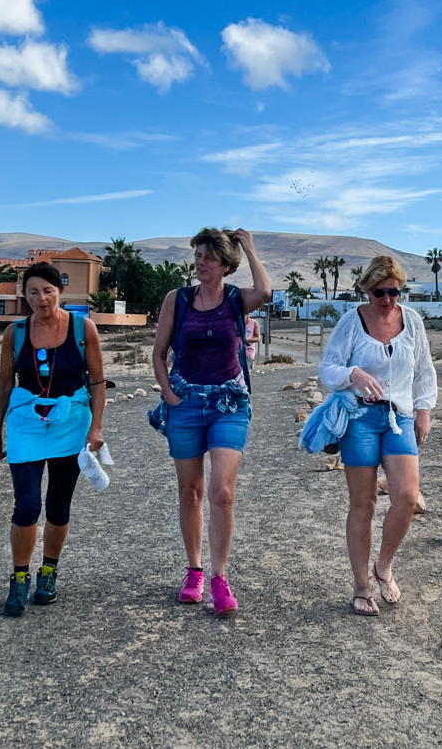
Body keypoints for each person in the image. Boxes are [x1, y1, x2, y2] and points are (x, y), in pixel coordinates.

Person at [150, 228, 271, 617]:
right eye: (197, 255)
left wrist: (250, 247)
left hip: (228, 404)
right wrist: (169, 395)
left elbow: (266, 293)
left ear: (225, 264)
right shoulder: (178, 299)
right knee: (191, 492)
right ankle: (194, 571)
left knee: (222, 491)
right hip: (185, 404)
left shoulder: (237, 299)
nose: (199, 261)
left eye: (208, 256)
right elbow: (159, 353)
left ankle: (219, 578)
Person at [0, 262, 107, 617]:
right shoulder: (16, 333)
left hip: (71, 422)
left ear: (61, 292)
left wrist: (96, 428)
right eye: (34, 292)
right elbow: (4, 383)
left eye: (48, 290)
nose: (42, 298)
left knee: (57, 504)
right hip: (26, 422)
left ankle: (49, 571)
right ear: (24, 296)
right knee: (26, 505)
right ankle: (19, 578)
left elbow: (98, 382)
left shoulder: (83, 329)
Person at [318, 256, 437, 616]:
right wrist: (353, 374)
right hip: (360, 419)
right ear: (367, 289)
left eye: (394, 292)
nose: (387, 299)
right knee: (364, 502)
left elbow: (423, 368)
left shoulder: (411, 321)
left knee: (407, 496)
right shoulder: (351, 322)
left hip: (398, 417)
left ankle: (383, 566)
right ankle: (361, 586)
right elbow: (328, 368)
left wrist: (424, 410)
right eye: (379, 292)